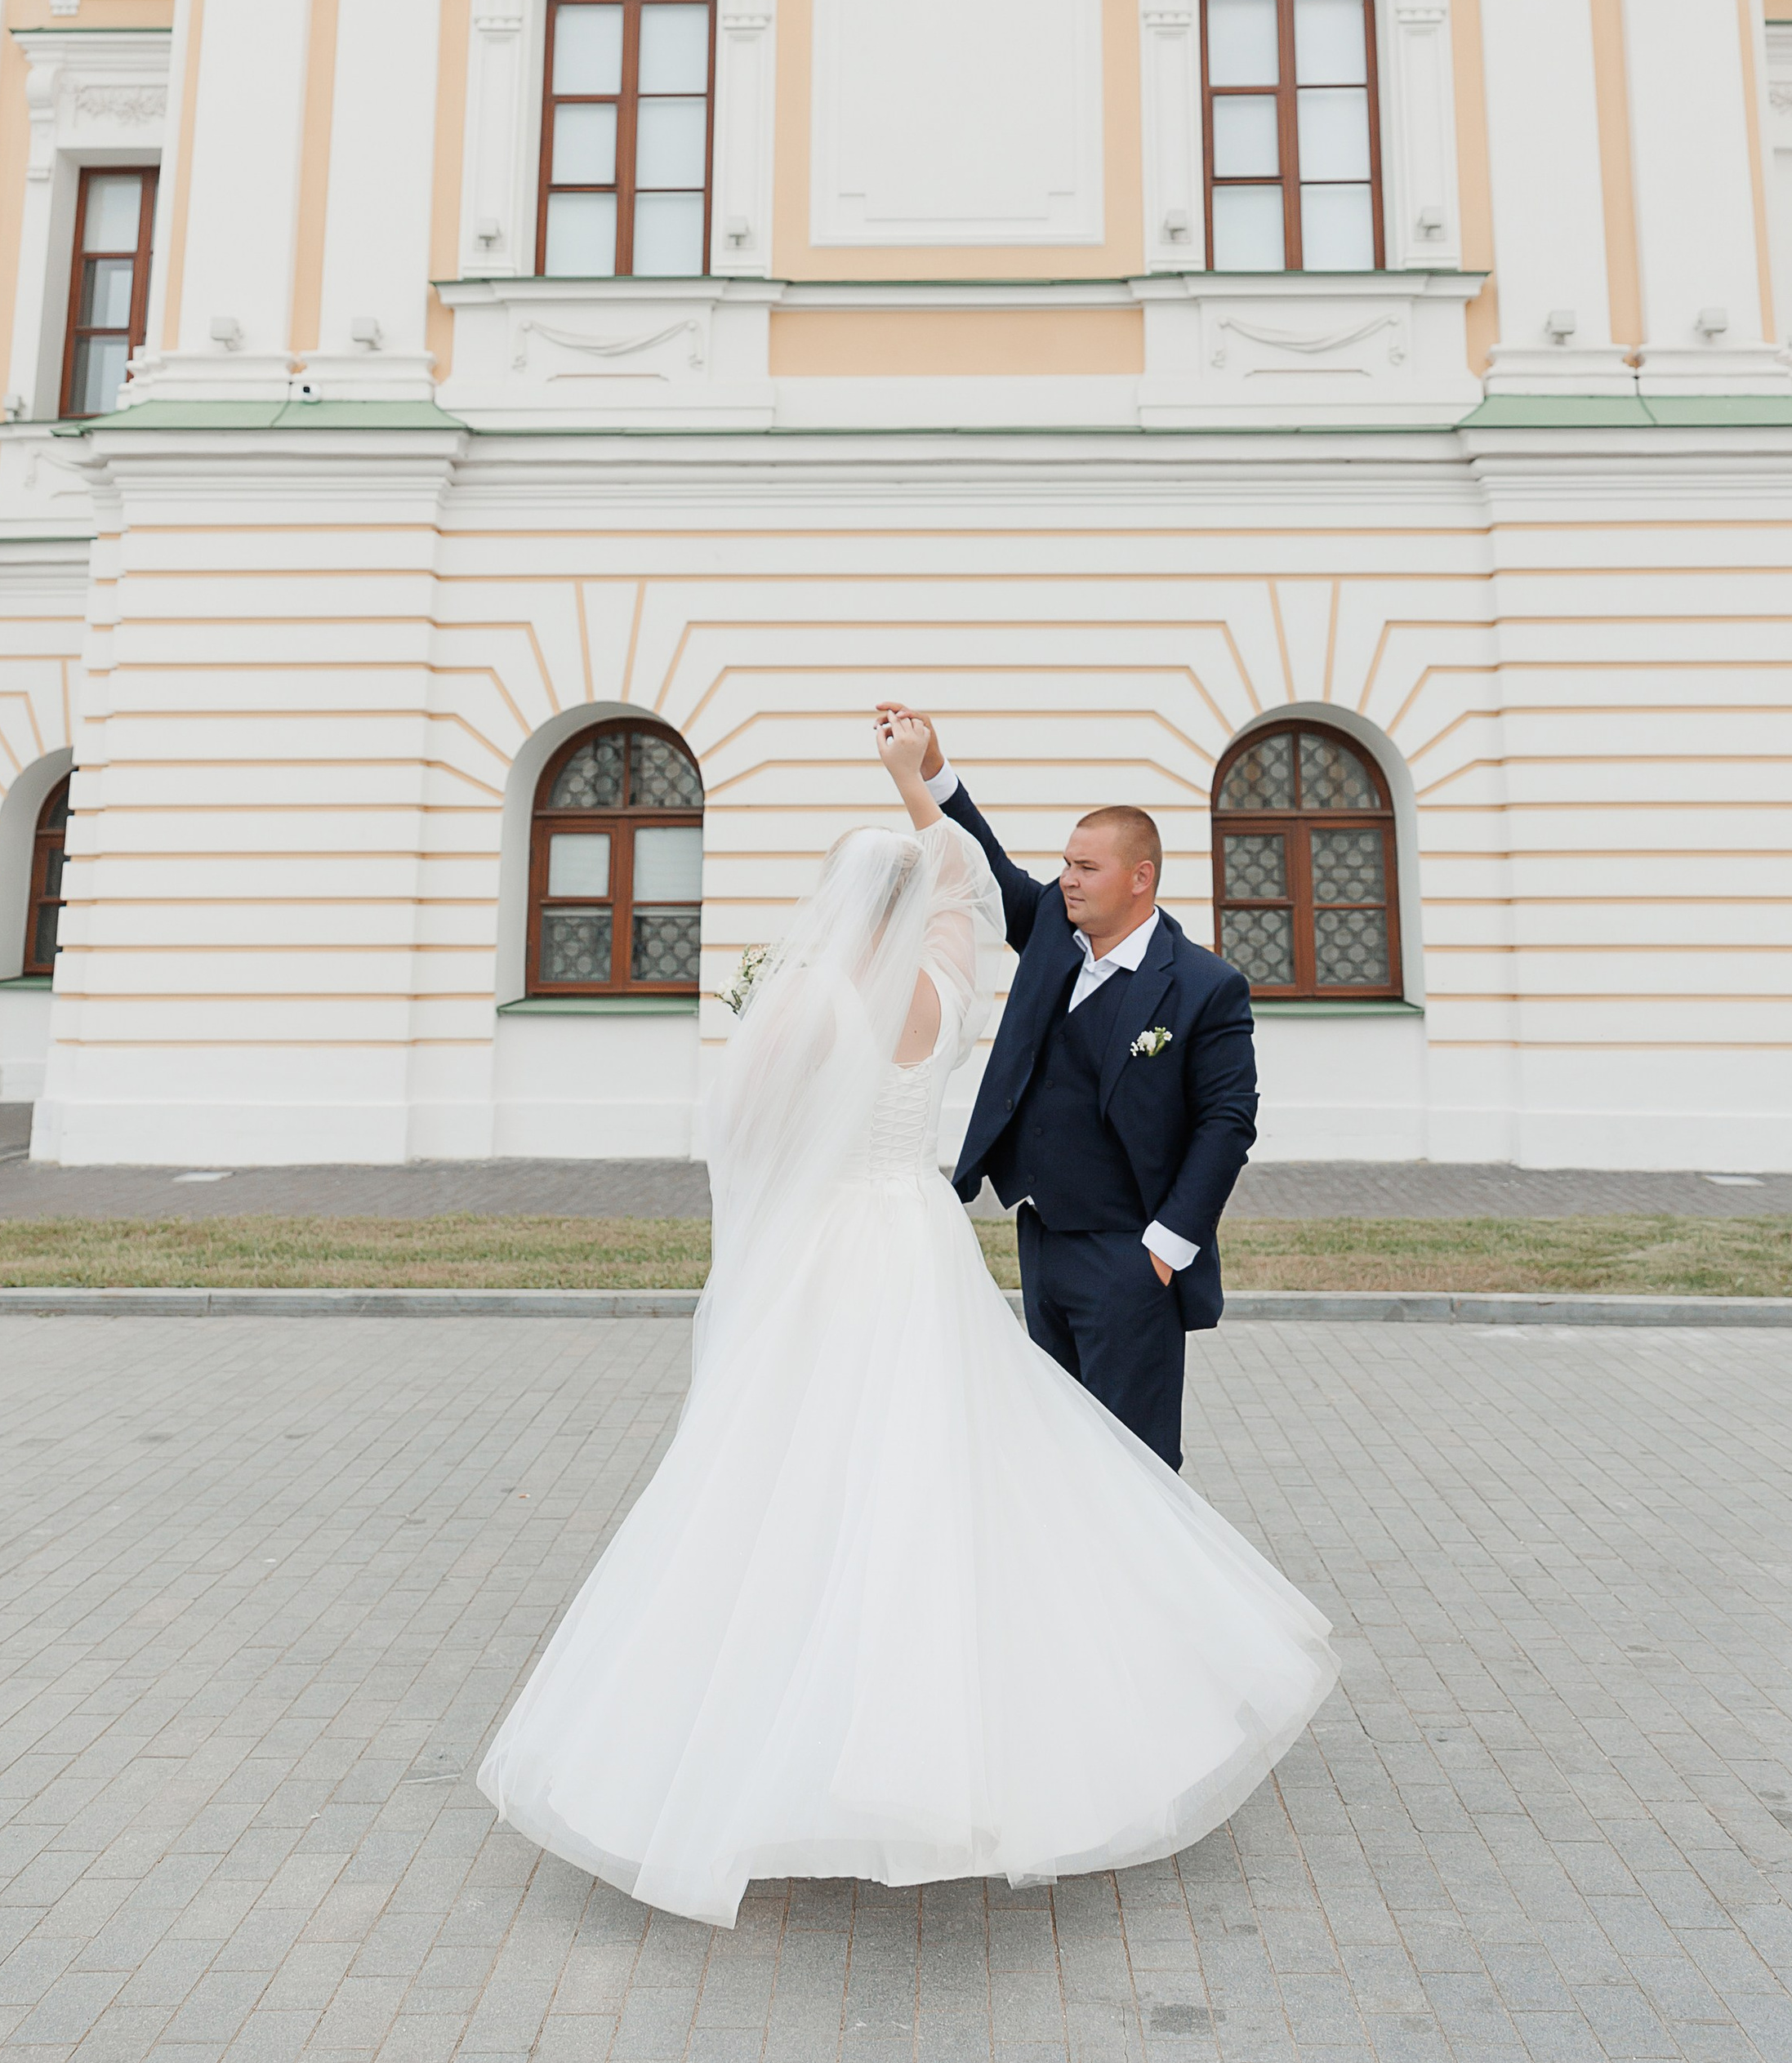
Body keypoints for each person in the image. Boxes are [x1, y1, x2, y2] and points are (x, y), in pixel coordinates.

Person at [479, 713, 1336, 1931]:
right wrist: (922, 787)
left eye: (1086, 866)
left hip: (845, 1248)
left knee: (800, 1480)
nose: (1064, 882)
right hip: (923, 1243)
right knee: (966, 1474)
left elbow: (746, 1132)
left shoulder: (815, 1003)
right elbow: (972, 889)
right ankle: (1052, 1718)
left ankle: (826, 1731)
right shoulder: (944, 986)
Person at [879, 706, 1256, 1476]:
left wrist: (1165, 1250)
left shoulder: (1205, 986)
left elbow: (1227, 1124)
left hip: (1131, 1255)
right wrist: (931, 771)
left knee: (1134, 1462)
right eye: (1065, 865)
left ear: (1141, 878)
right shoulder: (1053, 924)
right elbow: (985, 866)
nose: (1068, 880)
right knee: (1057, 1454)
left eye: (1086, 867)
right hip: (1044, 1242)